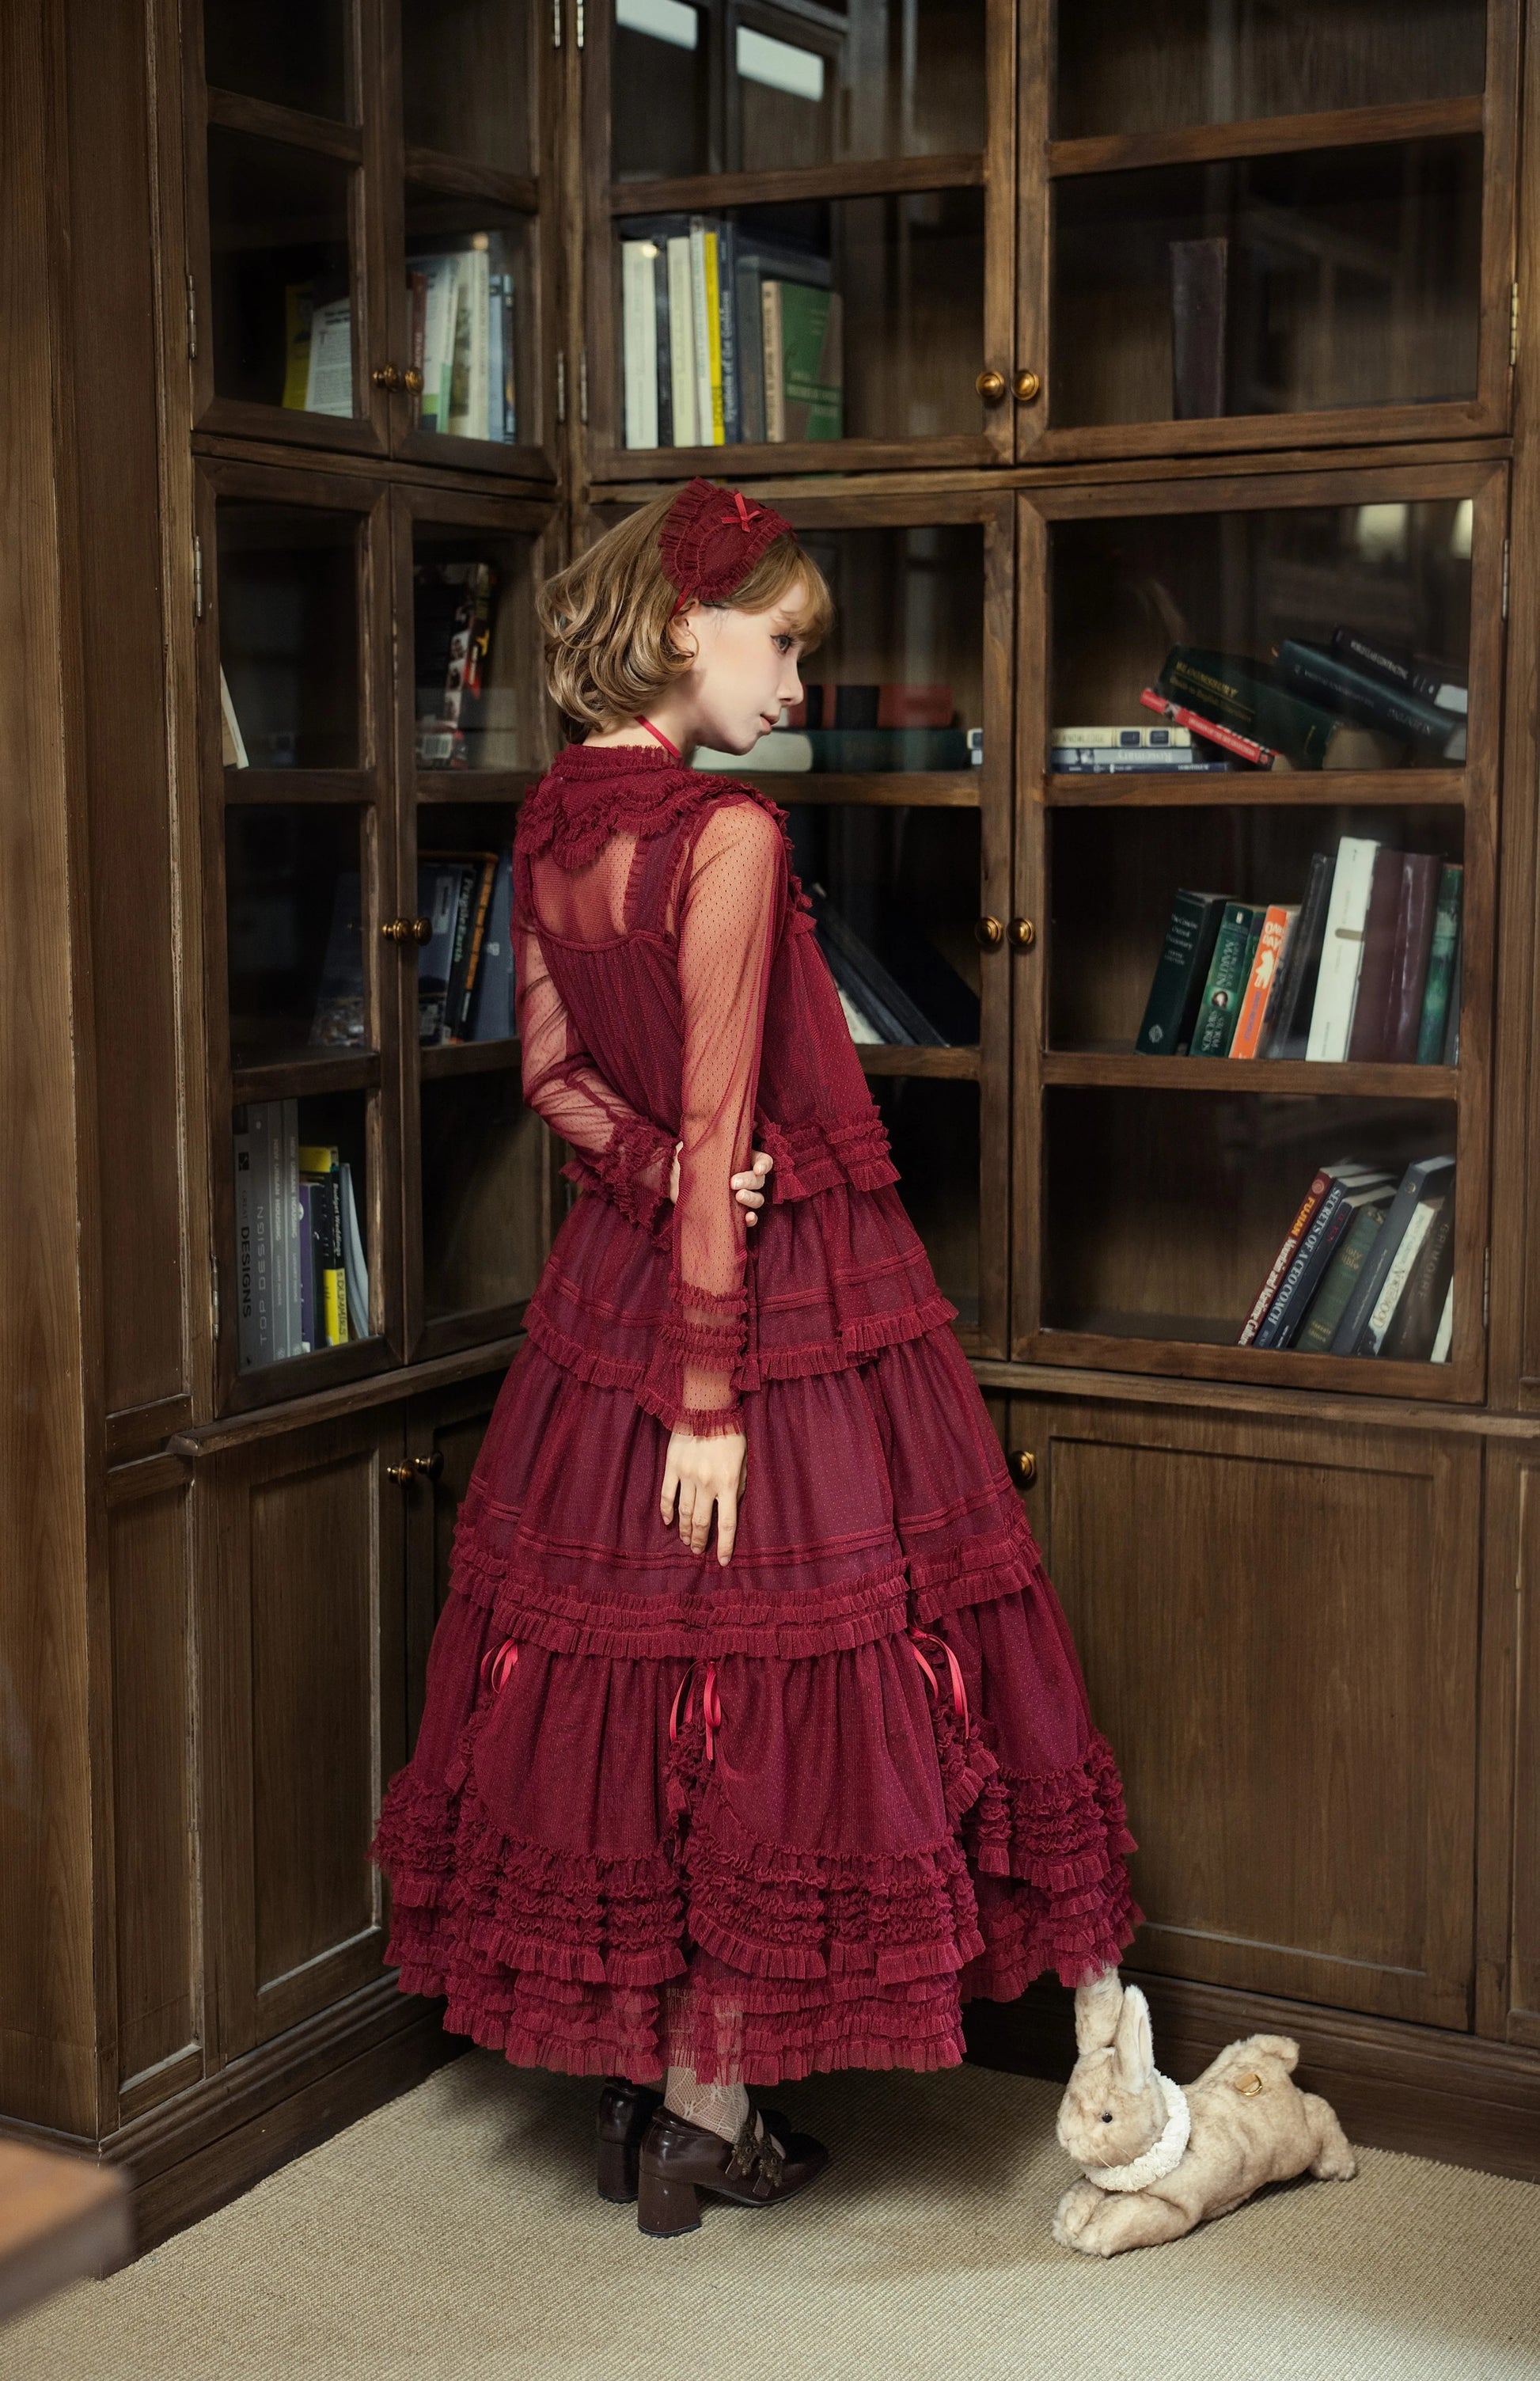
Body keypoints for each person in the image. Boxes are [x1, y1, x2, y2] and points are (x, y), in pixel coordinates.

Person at [368, 479, 1140, 2239]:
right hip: (763, 1301)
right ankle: (705, 2114)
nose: (797, 687)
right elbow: (722, 1120)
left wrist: (655, 1180)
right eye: (781, 646)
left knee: (652, 1682)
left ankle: (656, 2097)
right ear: (678, 629)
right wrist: (708, 1396)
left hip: (615, 1285)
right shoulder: (726, 834)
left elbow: (557, 1084)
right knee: (774, 1688)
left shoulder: (553, 823)